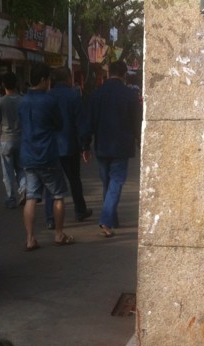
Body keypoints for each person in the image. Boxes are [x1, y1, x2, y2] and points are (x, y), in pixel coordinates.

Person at [19, 63, 74, 251]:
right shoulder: (49, 101)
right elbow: (59, 124)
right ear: (43, 80)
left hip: (28, 155)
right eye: (48, 80)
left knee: (31, 197)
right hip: (47, 154)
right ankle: (59, 234)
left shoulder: (23, 101)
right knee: (58, 195)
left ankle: (30, 239)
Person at [85, 60, 142, 239]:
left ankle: (111, 217)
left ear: (109, 73)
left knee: (107, 182)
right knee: (115, 182)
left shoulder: (97, 94)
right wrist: (140, 140)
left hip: (102, 145)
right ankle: (107, 220)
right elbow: (137, 122)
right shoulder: (130, 95)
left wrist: (85, 145)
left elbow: (89, 122)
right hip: (121, 146)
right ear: (124, 75)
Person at [43, 66, 92, 228]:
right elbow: (81, 123)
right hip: (70, 146)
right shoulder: (73, 96)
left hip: (51, 146)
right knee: (74, 180)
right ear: (68, 78)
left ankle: (50, 218)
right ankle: (80, 210)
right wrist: (85, 145)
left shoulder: (47, 96)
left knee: (51, 184)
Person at [0, 72, 25, 209]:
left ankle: (11, 199)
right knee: (21, 168)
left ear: (3, 85)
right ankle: (24, 188)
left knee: (7, 172)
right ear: (16, 84)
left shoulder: (0, 102)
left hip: (6, 140)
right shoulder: (23, 100)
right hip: (21, 139)